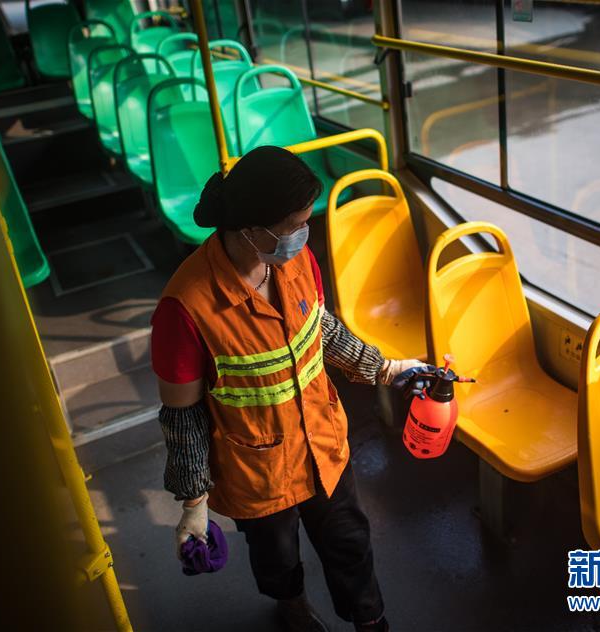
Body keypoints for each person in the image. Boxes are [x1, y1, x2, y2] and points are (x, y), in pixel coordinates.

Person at [150, 146, 428, 632]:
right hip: (257, 469)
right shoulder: (186, 306)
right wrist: (193, 502)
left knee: (350, 542)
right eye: (295, 225)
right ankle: (292, 606)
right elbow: (183, 415)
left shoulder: (296, 262)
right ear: (251, 228)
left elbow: (321, 329)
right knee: (275, 555)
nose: (304, 234)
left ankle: (370, 621)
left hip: (323, 443)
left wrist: (384, 368)